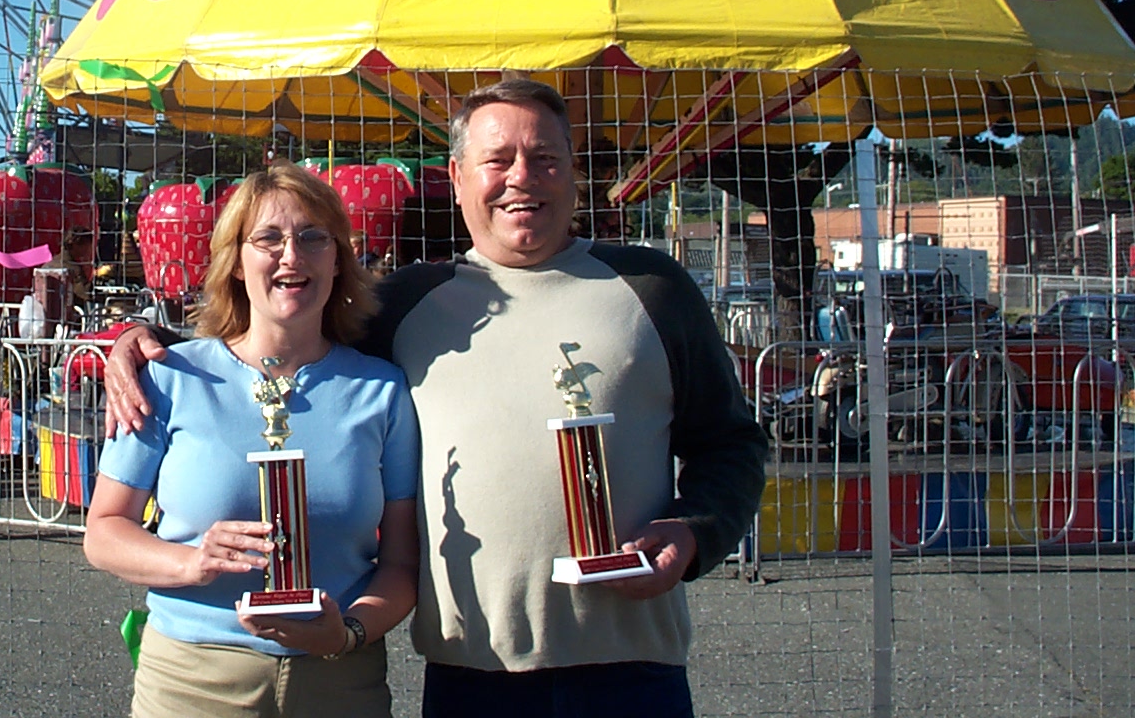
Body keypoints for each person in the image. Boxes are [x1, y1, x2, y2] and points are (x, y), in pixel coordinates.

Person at [107, 80, 768, 718]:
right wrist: (146, 345)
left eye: (544, 159)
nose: (522, 178)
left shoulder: (653, 289)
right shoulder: (410, 303)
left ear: (573, 171)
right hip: (473, 678)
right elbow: (281, 338)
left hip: (633, 669)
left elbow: (731, 444)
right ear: (457, 176)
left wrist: (695, 529)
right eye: (497, 160)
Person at [87, 164, 419, 718]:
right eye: (268, 238)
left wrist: (349, 632)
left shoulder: (382, 391)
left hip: (341, 683)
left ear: (339, 259)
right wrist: (191, 562)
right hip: (192, 679)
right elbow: (104, 532)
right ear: (236, 262)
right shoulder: (171, 377)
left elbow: (401, 564)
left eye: (314, 237)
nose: (292, 255)